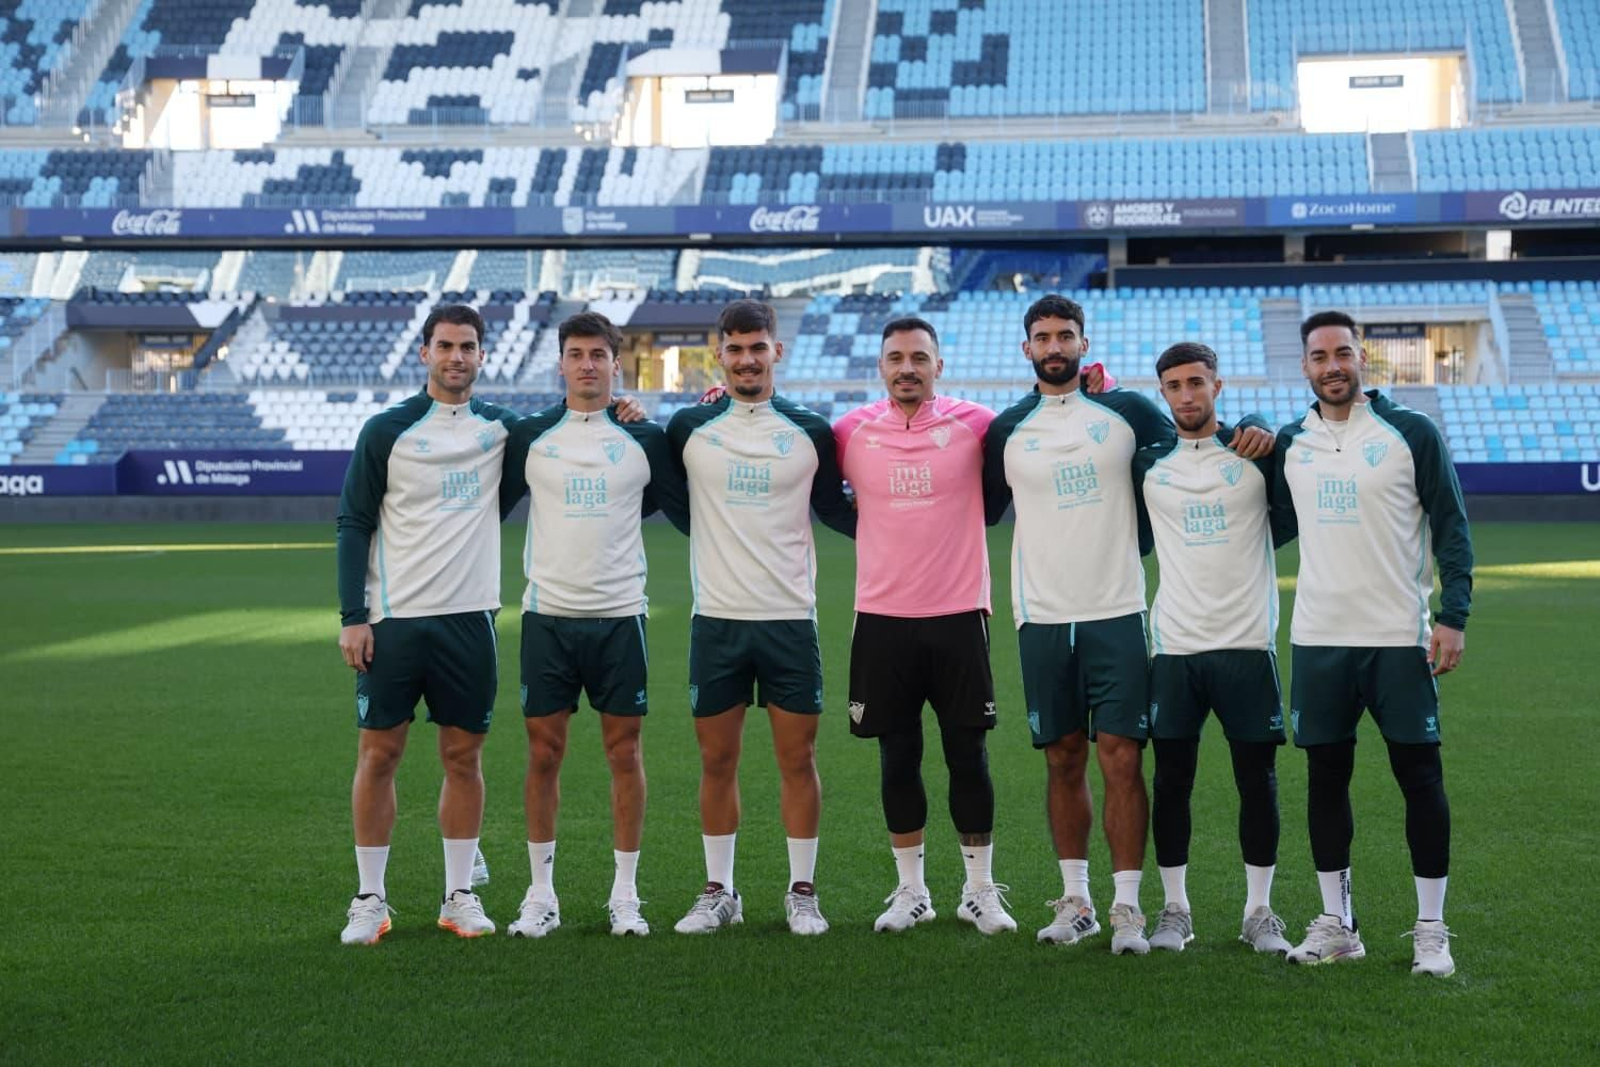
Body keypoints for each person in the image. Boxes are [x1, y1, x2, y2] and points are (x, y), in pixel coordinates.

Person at [983, 294, 1274, 955]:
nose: (1054, 346)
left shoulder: (1128, 413)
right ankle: (1076, 899)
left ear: (1084, 344)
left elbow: (1204, 436)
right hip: (1042, 618)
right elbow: (976, 506)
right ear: (1025, 348)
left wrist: (1257, 421)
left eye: (1065, 335)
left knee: (1121, 758)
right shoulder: (1007, 430)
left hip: (1118, 611)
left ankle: (1127, 907)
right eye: (1042, 337)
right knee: (1061, 758)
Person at [1272, 311, 1472, 977]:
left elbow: (1451, 527)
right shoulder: (1289, 443)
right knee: (1325, 779)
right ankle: (1337, 924)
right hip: (1319, 640)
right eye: (1319, 355)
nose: (1332, 365)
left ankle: (1431, 928)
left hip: (1397, 638)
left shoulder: (1410, 433)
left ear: (1364, 360)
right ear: (1304, 366)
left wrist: (1454, 614)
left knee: (1422, 778)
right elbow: (1261, 522)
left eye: (1343, 353)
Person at [664, 299, 857, 935]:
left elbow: (837, 509)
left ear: (779, 352)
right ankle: (719, 889)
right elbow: (673, 501)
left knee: (797, 760)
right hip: (716, 620)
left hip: (788, 621)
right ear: (718, 354)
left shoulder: (811, 431)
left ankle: (802, 892)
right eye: (736, 348)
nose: (747, 359)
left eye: (758, 347)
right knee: (716, 762)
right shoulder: (688, 428)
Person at [498, 311, 690, 940]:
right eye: (576, 354)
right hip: (547, 619)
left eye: (598, 355)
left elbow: (674, 499)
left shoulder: (645, 438)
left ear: (616, 363)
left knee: (624, 753)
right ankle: (540, 892)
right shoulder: (529, 437)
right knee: (543, 755)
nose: (587, 365)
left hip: (618, 619)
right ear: (561, 362)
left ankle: (625, 895)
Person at [334, 304, 520, 945]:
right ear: (425, 353)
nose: (457, 357)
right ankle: (369, 899)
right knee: (379, 754)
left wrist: (627, 413)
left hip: (470, 621)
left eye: (468, 346)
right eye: (445, 346)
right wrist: (353, 617)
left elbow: (568, 435)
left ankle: (459, 895)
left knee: (462, 758)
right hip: (394, 624)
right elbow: (353, 522)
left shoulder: (502, 430)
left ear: (482, 355)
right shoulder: (387, 429)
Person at [834, 317, 1014, 935]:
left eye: (918, 357)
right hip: (882, 619)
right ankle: (911, 890)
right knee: (897, 757)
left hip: (959, 614)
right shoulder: (849, 432)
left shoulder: (979, 425)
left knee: (969, 756)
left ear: (939, 363)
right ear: (880, 366)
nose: (906, 367)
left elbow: (1042, 429)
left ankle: (979, 890)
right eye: (894, 358)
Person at [1131, 342, 1293, 955]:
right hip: (1174, 647)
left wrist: (1262, 429)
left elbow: (1295, 471)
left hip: (1248, 643)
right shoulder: (1148, 464)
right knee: (1172, 781)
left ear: (1217, 386)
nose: (1186, 395)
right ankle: (1175, 909)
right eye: (1173, 386)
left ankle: (1260, 911)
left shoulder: (1256, 454)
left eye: (1196, 382)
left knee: (1258, 780)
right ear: (1164, 395)